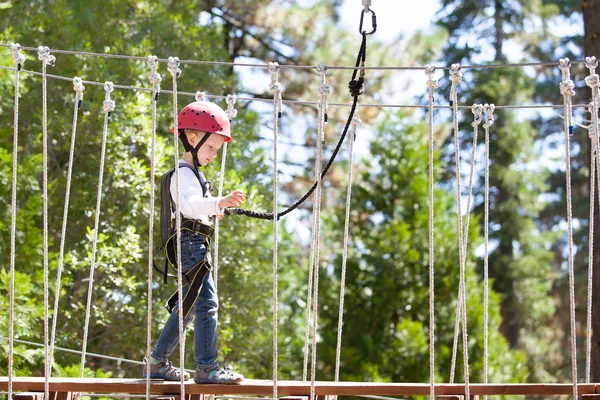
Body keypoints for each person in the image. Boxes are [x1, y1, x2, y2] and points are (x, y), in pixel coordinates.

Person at [143, 101, 246, 384]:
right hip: (189, 246)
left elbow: (194, 208)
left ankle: (156, 361)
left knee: (188, 306)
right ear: (192, 139)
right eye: (211, 147)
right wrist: (217, 203)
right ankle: (207, 367)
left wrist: (215, 211)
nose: (213, 154)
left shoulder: (193, 174)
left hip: (193, 244)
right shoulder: (183, 173)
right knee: (206, 304)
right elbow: (190, 205)